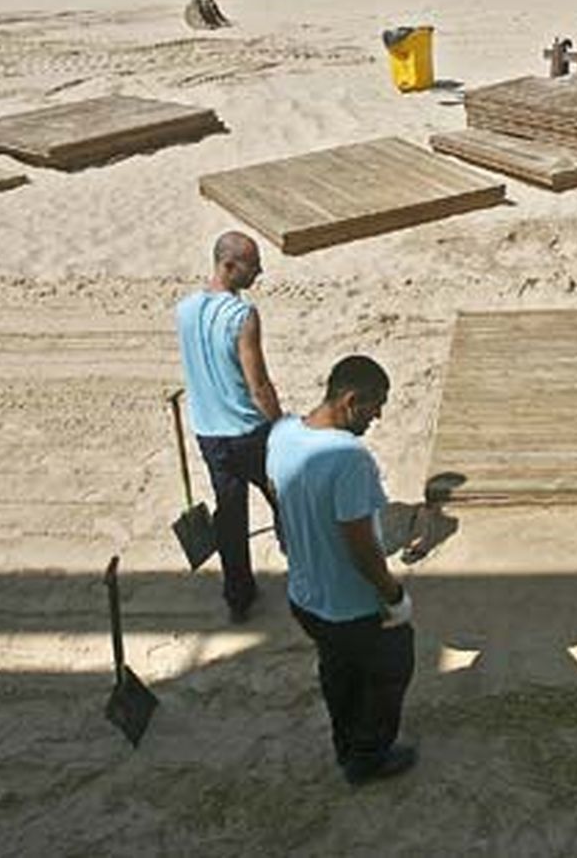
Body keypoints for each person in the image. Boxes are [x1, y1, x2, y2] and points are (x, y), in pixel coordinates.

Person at [268, 355, 416, 786]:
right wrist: (393, 597)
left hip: (305, 598)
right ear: (352, 401)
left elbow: (281, 509)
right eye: (376, 405)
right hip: (350, 607)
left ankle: (345, 742)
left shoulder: (281, 434)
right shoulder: (349, 458)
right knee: (392, 667)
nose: (378, 416)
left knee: (337, 671)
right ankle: (368, 758)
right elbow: (362, 548)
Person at [175, 231, 283, 622]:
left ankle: (238, 596)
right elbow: (258, 385)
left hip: (208, 433)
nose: (259, 272)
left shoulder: (184, 310)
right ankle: (303, 566)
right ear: (229, 266)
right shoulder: (243, 316)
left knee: (230, 513)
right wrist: (281, 425)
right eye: (253, 265)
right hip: (248, 432)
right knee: (281, 496)